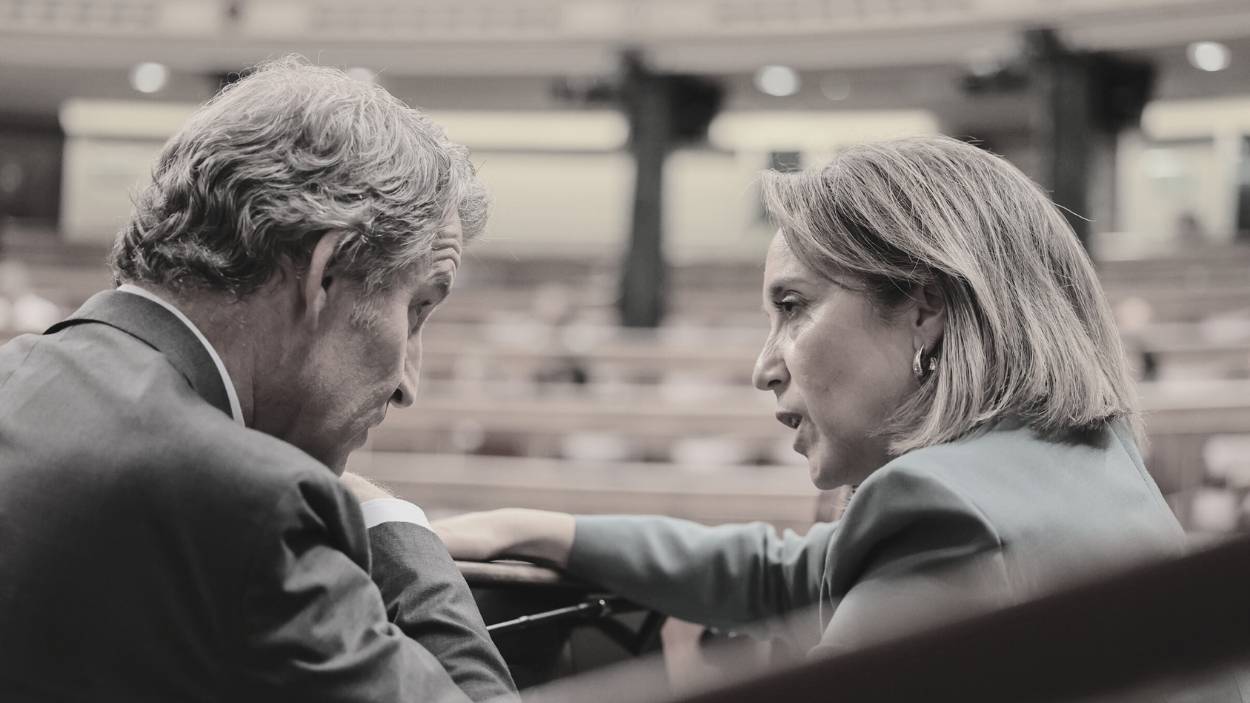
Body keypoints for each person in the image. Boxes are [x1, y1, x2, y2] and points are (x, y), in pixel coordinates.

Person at [431, 137, 1192, 661]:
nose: (765, 365)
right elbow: (783, 572)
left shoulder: (946, 511)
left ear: (923, 305)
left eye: (793, 307)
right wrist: (532, 528)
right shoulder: (1084, 460)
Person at [0, 58, 515, 702]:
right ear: (325, 273)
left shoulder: (17, 372)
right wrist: (391, 522)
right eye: (416, 309)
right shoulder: (253, 505)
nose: (409, 381)